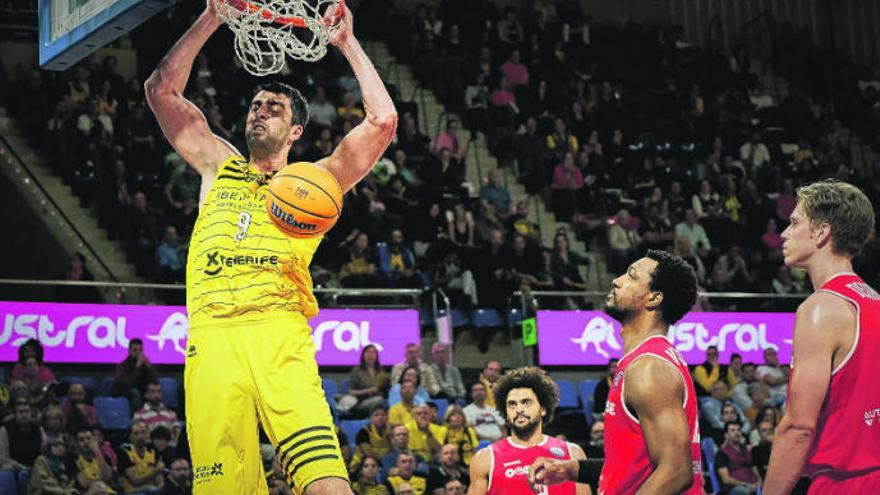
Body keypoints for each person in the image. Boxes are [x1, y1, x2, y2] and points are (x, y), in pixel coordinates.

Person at [145, 1, 397, 493]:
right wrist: (214, 15)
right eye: (256, 106)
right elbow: (160, 90)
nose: (260, 112)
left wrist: (347, 43)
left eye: (273, 108)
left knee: (327, 483)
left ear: (296, 130)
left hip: (279, 334)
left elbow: (382, 121)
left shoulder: (316, 181)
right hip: (212, 337)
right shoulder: (219, 164)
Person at [529, 250, 703, 494]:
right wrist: (572, 470)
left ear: (653, 298)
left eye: (631, 277)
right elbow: (633, 467)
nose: (617, 280)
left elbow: (676, 471)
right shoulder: (646, 360)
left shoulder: (648, 368)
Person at [764, 181, 880, 494]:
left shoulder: (821, 309)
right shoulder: (873, 300)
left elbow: (798, 427)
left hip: (846, 483)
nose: (785, 234)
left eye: (794, 222)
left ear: (821, 232)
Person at [468, 367, 588, 495]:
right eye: (512, 404)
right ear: (506, 412)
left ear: (543, 409)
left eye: (526, 402)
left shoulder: (573, 453)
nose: (519, 409)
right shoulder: (485, 458)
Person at [111, 338, 159, 411]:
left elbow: (155, 381)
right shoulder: (122, 366)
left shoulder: (145, 365)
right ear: (129, 351)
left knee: (154, 390)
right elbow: (129, 384)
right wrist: (137, 367)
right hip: (125, 393)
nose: (138, 353)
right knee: (134, 392)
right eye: (135, 350)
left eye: (140, 350)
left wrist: (149, 367)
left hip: (142, 391)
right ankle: (138, 415)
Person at [715, 421, 762, 495]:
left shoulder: (746, 450)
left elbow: (753, 467)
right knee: (745, 492)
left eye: (738, 430)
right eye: (732, 430)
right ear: (726, 435)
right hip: (736, 488)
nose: (737, 433)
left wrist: (759, 480)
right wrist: (745, 484)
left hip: (753, 484)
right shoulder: (722, 453)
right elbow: (726, 479)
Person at [118, 421, 164, 494]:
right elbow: (136, 481)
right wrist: (156, 471)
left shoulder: (153, 451)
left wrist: (161, 489)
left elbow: (159, 480)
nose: (140, 436)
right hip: (133, 492)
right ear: (130, 437)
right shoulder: (125, 453)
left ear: (148, 434)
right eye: (136, 433)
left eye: (143, 432)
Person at [346, 345, 391, 415]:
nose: (370, 355)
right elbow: (351, 392)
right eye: (367, 352)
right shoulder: (357, 371)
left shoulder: (381, 371)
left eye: (373, 352)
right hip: (362, 402)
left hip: (380, 400)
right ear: (363, 355)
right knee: (378, 400)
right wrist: (369, 390)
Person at [0, 398, 42, 469]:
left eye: (27, 411)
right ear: (14, 414)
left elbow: (41, 454)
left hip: (34, 468)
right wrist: (22, 468)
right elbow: (3, 458)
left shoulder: (38, 428)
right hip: (12, 468)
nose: (24, 414)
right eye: (20, 412)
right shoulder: (5, 429)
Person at [349, 405, 392, 473]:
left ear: (388, 417)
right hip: (361, 467)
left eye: (383, 415)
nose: (380, 418)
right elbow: (369, 454)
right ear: (371, 418)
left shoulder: (390, 431)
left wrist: (390, 435)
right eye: (376, 415)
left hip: (382, 466)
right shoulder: (364, 432)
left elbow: (395, 449)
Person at [73, 427, 114, 493]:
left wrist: (98, 453)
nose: (86, 442)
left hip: (106, 491)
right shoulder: (73, 460)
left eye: (88, 438)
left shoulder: (103, 457)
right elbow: (84, 483)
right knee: (97, 486)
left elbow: (108, 476)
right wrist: (101, 481)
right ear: (77, 444)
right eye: (81, 440)